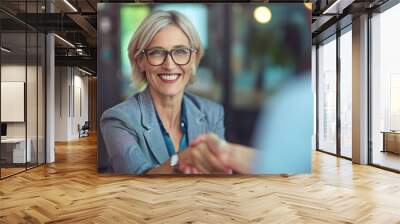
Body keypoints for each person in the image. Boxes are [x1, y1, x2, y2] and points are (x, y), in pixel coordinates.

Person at [100, 10, 226, 174]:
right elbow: (137, 184)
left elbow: (219, 176)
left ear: (194, 58)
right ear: (140, 61)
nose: (169, 65)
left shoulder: (212, 114)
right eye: (157, 52)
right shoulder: (118, 120)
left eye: (180, 51)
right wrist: (182, 159)